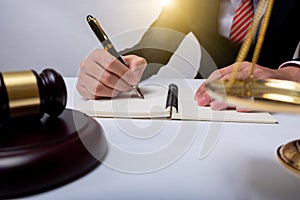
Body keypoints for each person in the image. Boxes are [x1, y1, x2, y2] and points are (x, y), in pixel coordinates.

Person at [77, 0, 300, 110]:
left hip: (273, 108)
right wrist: (115, 69)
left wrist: (290, 76)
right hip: (202, 104)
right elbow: (154, 46)